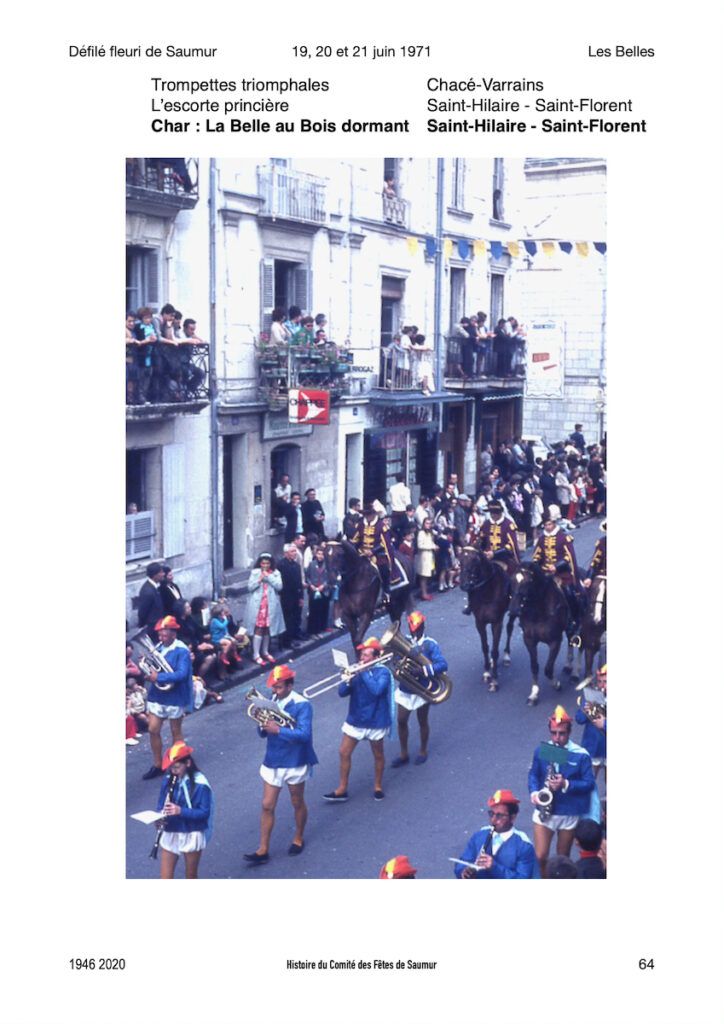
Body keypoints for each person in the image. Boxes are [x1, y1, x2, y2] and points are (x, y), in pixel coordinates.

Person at [244, 665, 318, 864]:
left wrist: (278, 730)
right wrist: (262, 724)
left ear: (290, 685)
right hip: (274, 759)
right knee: (267, 805)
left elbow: (304, 735)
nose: (274, 691)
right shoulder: (272, 701)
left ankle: (298, 837)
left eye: (278, 687)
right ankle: (263, 849)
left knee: (297, 802)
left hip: (295, 760)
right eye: (273, 687)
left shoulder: (302, 704)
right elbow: (263, 732)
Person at [324, 637, 396, 802]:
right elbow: (342, 693)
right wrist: (347, 680)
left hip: (375, 720)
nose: (362, 658)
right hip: (356, 719)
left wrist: (362, 672)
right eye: (361, 655)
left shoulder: (383, 672)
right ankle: (342, 788)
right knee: (344, 752)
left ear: (376, 657)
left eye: (366, 656)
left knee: (378, 754)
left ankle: (377, 786)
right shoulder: (356, 671)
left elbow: (376, 690)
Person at [528, 705, 596, 874]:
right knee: (540, 856)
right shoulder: (543, 750)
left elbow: (589, 783)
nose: (557, 738)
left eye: (562, 733)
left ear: (569, 732)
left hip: (569, 812)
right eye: (553, 733)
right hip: (546, 811)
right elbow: (534, 775)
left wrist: (566, 784)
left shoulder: (581, 755)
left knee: (562, 859)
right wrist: (535, 793)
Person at [141, 616, 195, 780]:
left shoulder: (182, 650)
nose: (161, 638)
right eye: (160, 635)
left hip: (174, 696)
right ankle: (158, 764)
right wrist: (146, 668)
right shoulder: (158, 647)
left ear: (173, 634)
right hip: (158, 695)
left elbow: (182, 674)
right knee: (153, 729)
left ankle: (180, 763)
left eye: (164, 635)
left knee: (175, 732)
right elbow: (155, 670)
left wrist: (158, 677)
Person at [392, 612, 447, 767]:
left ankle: (423, 750)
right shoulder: (405, 641)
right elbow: (395, 657)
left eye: (418, 629)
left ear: (423, 627)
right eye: (412, 629)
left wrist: (423, 670)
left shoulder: (430, 644)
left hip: (423, 688)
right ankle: (404, 753)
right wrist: (396, 660)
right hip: (406, 688)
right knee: (401, 720)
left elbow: (442, 665)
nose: (415, 632)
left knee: (422, 720)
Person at [155, 742, 213, 879]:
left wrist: (180, 811)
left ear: (187, 763)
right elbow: (161, 804)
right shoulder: (168, 779)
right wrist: (158, 817)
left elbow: (204, 813)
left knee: (191, 876)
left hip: (191, 832)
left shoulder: (200, 784)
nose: (173, 771)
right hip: (171, 830)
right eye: (171, 768)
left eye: (176, 767)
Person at [454, 789, 537, 879]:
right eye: (491, 814)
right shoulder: (479, 836)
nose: (493, 820)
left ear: (512, 818)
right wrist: (463, 871)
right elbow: (462, 861)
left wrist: (494, 867)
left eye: (500, 815)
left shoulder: (524, 846)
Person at [531, 507, 582, 644]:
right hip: (545, 573)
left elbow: (567, 558)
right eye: (545, 525)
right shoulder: (541, 539)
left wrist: (557, 566)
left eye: (549, 524)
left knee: (569, 594)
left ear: (554, 524)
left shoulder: (564, 538)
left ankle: (573, 619)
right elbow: (537, 555)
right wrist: (535, 564)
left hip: (561, 574)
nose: (547, 527)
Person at [350, 502, 395, 605]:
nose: (368, 517)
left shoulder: (381, 526)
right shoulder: (360, 525)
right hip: (362, 553)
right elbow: (356, 539)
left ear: (374, 514)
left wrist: (372, 551)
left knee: (383, 569)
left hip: (377, 554)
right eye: (366, 514)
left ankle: (386, 591)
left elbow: (385, 543)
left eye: (369, 514)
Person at [245, 553, 285, 665]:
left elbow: (279, 586)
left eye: (268, 563)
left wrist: (269, 577)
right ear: (260, 563)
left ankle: (265, 651)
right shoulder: (255, 573)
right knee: (258, 628)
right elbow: (250, 587)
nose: (265, 565)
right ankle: (256, 654)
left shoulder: (276, 573)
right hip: (259, 604)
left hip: (270, 604)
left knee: (268, 628)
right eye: (263, 563)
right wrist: (259, 580)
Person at [278, 543, 305, 648]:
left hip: (296, 596)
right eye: (292, 552)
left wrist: (301, 597)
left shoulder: (297, 565)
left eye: (295, 551)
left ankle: (293, 637)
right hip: (286, 596)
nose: (295, 554)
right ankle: (286, 641)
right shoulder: (281, 565)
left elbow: (299, 583)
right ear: (286, 553)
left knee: (294, 618)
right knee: (287, 619)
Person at [305, 545, 332, 636]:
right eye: (318, 554)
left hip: (324, 591)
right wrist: (311, 585)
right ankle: (312, 630)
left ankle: (321, 628)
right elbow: (307, 576)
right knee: (313, 610)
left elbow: (329, 578)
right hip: (313, 590)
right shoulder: (312, 564)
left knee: (323, 609)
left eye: (322, 554)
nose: (320, 556)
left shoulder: (328, 565)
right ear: (316, 554)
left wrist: (324, 586)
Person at [136, 562, 166, 641]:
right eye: (161, 572)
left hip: (157, 626)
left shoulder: (154, 587)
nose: (163, 574)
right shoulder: (148, 592)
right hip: (152, 629)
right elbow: (142, 612)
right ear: (155, 575)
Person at [414, 517, 438, 600]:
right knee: (423, 576)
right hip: (423, 557)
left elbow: (430, 542)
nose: (428, 525)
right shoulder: (421, 533)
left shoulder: (430, 533)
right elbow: (420, 545)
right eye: (426, 523)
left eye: (429, 523)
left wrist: (434, 545)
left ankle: (425, 592)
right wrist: (431, 547)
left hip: (429, 557)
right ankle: (424, 593)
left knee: (427, 576)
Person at [388, 472, 412, 537]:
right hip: (403, 512)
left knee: (394, 532)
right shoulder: (406, 489)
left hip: (394, 512)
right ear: (403, 479)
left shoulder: (391, 489)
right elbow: (408, 503)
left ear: (396, 479)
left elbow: (390, 500)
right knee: (404, 532)